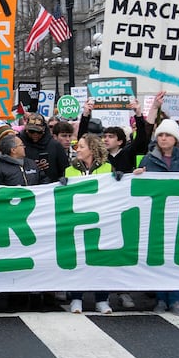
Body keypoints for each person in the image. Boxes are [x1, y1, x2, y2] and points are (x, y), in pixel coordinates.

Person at [140, 120, 179, 315]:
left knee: (177, 259)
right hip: (156, 217)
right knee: (158, 258)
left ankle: (176, 300)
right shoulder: (148, 160)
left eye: (168, 135)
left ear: (175, 139)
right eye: (161, 135)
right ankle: (161, 299)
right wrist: (136, 176)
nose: (163, 138)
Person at [62, 133, 115, 315]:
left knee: (101, 259)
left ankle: (102, 299)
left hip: (101, 221)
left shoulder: (108, 168)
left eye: (82, 146)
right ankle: (76, 297)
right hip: (78, 221)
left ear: (92, 149)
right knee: (79, 260)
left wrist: (119, 180)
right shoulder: (70, 170)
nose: (78, 149)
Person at [19, 113, 69, 182]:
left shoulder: (55, 145)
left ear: (44, 130)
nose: (35, 134)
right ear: (26, 130)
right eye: (31, 131)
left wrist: (63, 178)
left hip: (50, 187)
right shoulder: (19, 144)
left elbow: (65, 168)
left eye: (38, 132)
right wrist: (31, 166)